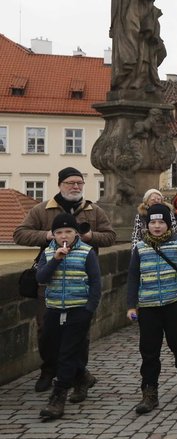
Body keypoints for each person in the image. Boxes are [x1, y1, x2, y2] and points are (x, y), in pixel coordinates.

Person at [14, 166, 116, 395]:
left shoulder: (93, 210)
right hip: (50, 279)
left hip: (81, 279)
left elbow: (111, 236)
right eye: (70, 183)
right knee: (46, 330)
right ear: (60, 184)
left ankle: (79, 376)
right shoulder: (43, 209)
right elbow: (19, 233)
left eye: (79, 183)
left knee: (80, 332)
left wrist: (90, 237)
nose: (75, 187)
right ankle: (49, 369)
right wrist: (48, 235)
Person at [127, 203, 177, 414]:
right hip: (148, 305)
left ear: (168, 224)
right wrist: (131, 305)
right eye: (153, 222)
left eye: (161, 222)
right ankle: (149, 392)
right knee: (149, 351)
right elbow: (133, 277)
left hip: (174, 303)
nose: (157, 226)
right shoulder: (140, 247)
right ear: (147, 225)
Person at [34, 213, 101, 421]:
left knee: (67, 352)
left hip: (78, 308)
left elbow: (96, 282)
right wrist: (55, 259)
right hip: (54, 307)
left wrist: (89, 308)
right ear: (53, 235)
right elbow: (41, 278)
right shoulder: (49, 252)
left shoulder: (86, 252)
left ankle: (58, 397)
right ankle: (83, 376)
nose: (64, 235)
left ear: (75, 233)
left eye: (69, 232)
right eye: (59, 232)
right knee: (51, 349)